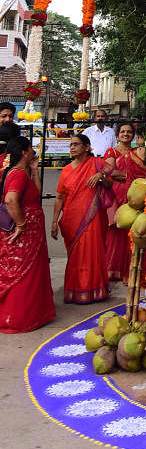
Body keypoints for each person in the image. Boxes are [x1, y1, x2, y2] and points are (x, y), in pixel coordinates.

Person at [0, 136, 55, 332]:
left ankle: (30, 315)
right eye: (31, 148)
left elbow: (35, 193)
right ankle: (18, 319)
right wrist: (21, 225)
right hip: (24, 234)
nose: (33, 151)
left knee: (30, 274)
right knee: (21, 276)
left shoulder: (23, 173)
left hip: (31, 234)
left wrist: (34, 170)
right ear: (24, 152)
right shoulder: (17, 175)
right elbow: (10, 200)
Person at [51, 133, 109, 304]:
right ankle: (75, 290)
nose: (72, 147)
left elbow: (111, 183)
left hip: (92, 218)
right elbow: (60, 197)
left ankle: (94, 290)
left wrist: (101, 176)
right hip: (71, 220)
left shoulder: (97, 164)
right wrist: (54, 221)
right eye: (71, 145)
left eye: (76, 144)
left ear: (87, 147)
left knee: (91, 253)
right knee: (75, 256)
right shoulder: (67, 170)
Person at [103, 121, 146, 281]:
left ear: (133, 135)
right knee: (116, 230)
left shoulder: (138, 152)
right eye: (122, 132)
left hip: (135, 195)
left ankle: (130, 271)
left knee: (133, 230)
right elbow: (111, 172)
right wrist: (130, 177)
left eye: (129, 132)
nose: (126, 134)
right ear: (117, 135)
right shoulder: (111, 152)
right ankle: (112, 270)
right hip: (117, 194)